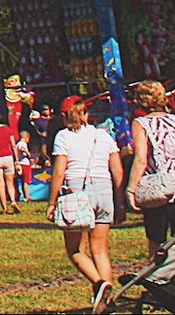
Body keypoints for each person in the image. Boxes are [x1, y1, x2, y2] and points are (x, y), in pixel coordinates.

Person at [49, 93, 124, 314]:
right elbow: (117, 170)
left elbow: (59, 171)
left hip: (78, 192)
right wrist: (120, 203)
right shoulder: (104, 136)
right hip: (104, 190)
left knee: (75, 250)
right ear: (86, 114)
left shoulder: (63, 137)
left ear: (64, 116)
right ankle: (107, 303)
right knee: (100, 249)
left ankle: (100, 284)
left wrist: (52, 202)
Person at [125, 79, 175, 252]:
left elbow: (141, 160)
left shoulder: (141, 124)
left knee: (156, 240)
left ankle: (157, 268)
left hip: (159, 189)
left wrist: (131, 189)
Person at [0, 110, 23, 208]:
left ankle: (4, 207)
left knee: (0, 184)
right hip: (8, 157)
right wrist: (16, 160)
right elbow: (13, 146)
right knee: (10, 182)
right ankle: (13, 201)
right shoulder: (8, 129)